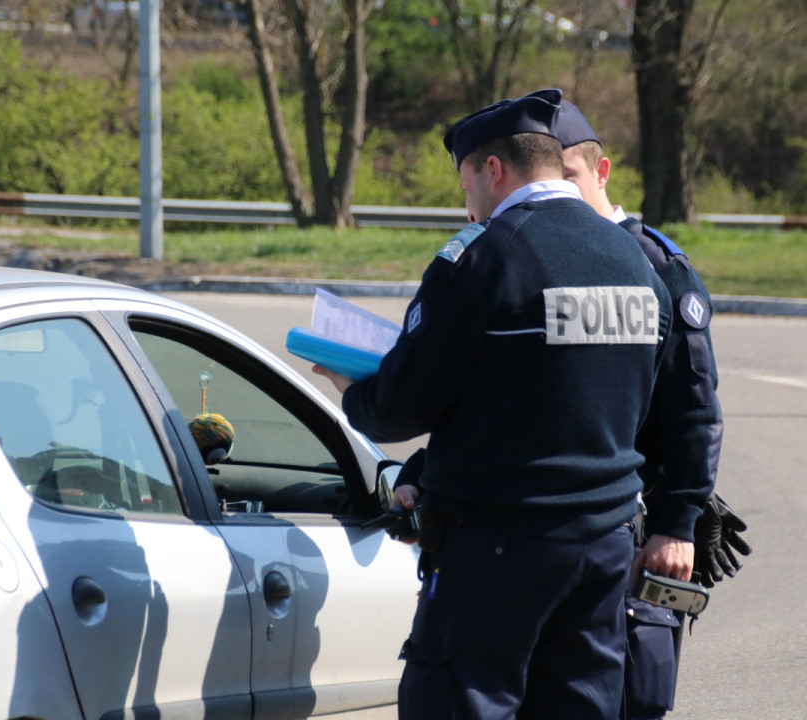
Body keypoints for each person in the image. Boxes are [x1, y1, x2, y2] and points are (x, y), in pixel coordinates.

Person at [314, 88, 673, 720]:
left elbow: (403, 408)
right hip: (604, 545)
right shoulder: (635, 261)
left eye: (465, 185)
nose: (468, 204)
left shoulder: (482, 259)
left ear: (494, 170)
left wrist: (357, 393)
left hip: (499, 548)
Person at [556, 99, 751, 720]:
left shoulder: (658, 266)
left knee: (623, 696)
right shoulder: (532, 257)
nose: (555, 196)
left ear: (602, 171)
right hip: (548, 527)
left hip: (630, 525)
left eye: (568, 179)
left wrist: (678, 520)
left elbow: (694, 408)